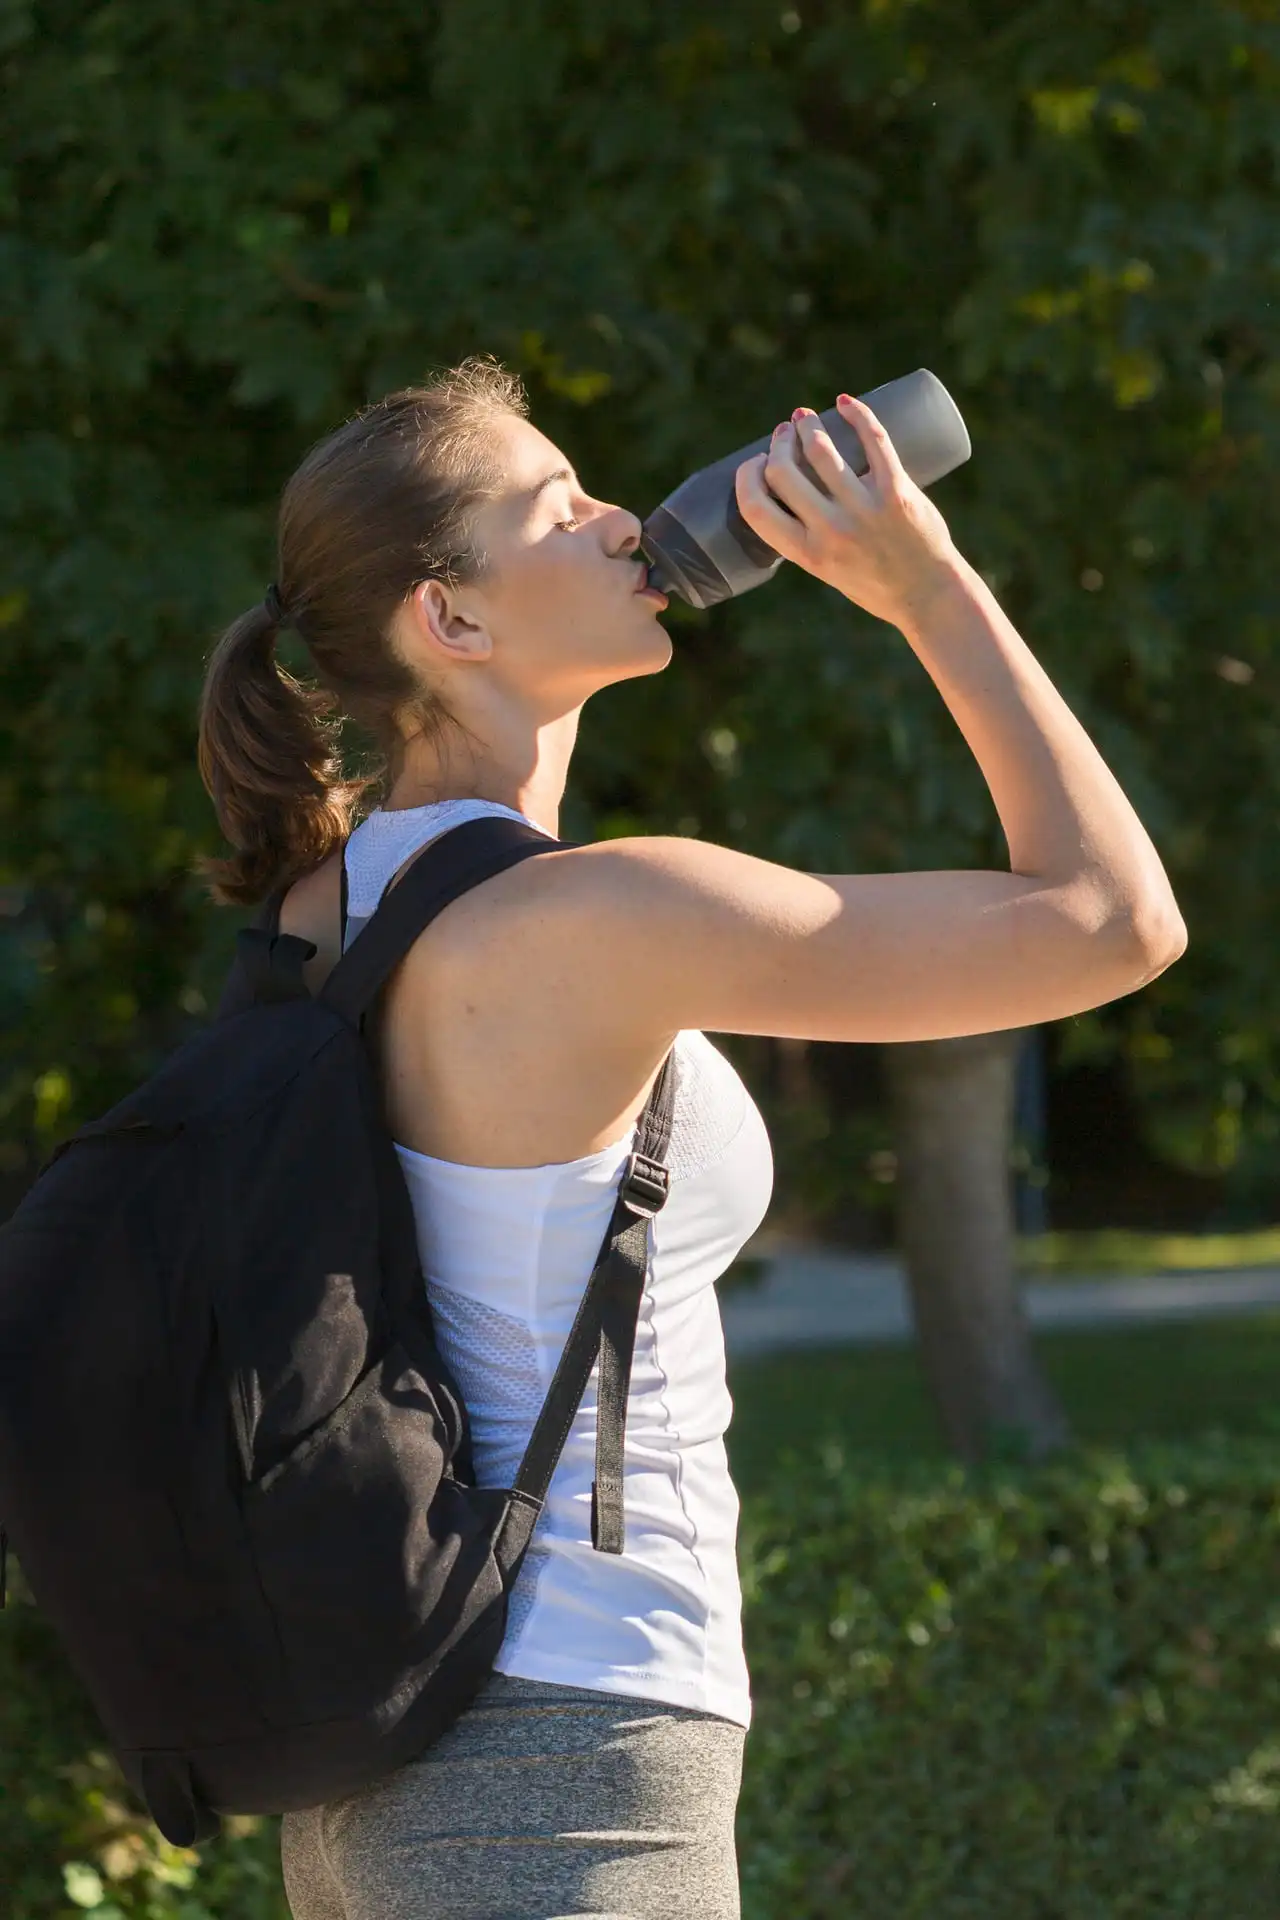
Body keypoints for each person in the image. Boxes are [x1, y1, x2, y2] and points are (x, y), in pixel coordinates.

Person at [196, 358, 1185, 1919]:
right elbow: (1115, 921)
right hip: (565, 1762)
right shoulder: (598, 915)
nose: (615, 521)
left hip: (376, 1775)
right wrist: (926, 586)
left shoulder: (321, 912)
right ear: (450, 623)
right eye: (556, 505)